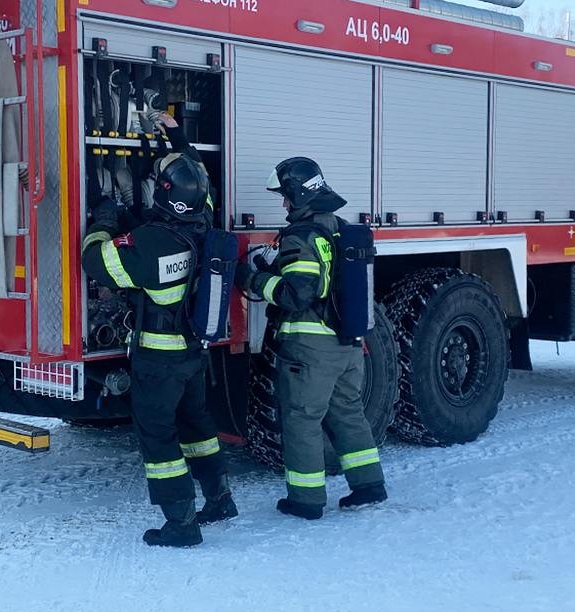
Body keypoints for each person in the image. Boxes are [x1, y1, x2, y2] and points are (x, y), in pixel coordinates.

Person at [82, 154, 237, 547]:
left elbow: (96, 262)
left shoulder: (150, 243)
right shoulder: (205, 227)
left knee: (159, 438)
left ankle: (181, 522)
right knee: (197, 425)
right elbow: (202, 190)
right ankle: (219, 498)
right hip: (193, 353)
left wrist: (102, 223)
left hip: (157, 359)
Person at [234, 157, 387, 520]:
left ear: (300, 195)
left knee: (302, 419)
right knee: (348, 413)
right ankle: (369, 485)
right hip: (347, 345)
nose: (284, 205)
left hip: (310, 349)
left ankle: (305, 500)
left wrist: (252, 280)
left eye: (286, 197)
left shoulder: (301, 235)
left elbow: (297, 294)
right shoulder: (337, 227)